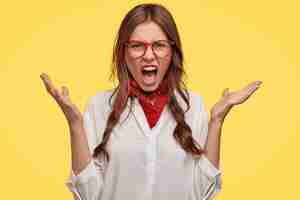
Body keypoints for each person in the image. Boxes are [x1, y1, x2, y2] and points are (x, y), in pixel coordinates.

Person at [40, 3, 262, 200]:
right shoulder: (99, 106)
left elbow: (203, 194)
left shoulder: (193, 106)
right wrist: (75, 124)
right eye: (137, 46)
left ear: (172, 51)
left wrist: (216, 121)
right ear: (124, 54)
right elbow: (88, 196)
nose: (148, 56)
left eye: (159, 45)